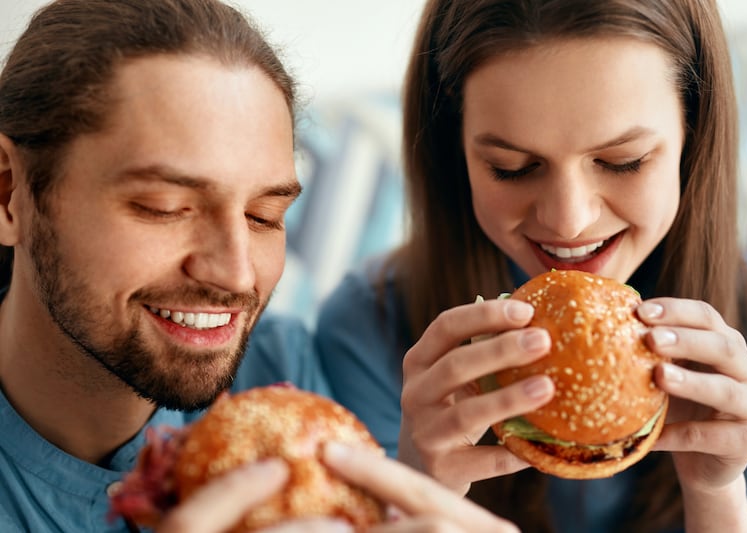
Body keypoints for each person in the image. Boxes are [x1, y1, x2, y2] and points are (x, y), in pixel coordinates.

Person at [0, 1, 519, 532]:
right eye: (164, 207)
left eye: (263, 216)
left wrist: (411, 494)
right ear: (9, 193)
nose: (237, 274)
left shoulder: (286, 379)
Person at [316, 0, 747, 531]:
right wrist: (417, 493)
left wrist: (718, 491)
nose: (569, 221)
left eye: (623, 161)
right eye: (512, 168)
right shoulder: (369, 325)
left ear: (693, 134)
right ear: (456, 152)